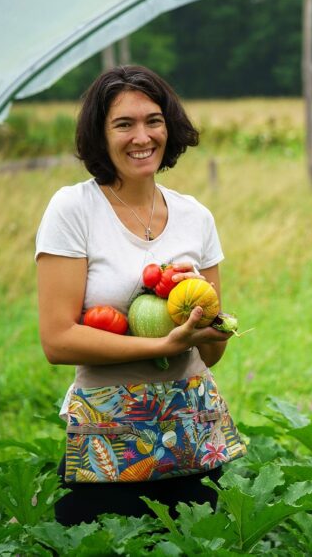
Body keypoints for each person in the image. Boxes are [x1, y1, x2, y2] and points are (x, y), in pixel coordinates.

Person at [35, 65, 246, 526]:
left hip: (191, 425)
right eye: (123, 124)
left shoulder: (196, 217)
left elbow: (209, 355)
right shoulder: (74, 210)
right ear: (99, 134)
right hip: (108, 432)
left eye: (153, 120)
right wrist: (161, 346)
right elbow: (57, 340)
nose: (142, 136)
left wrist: (209, 319)